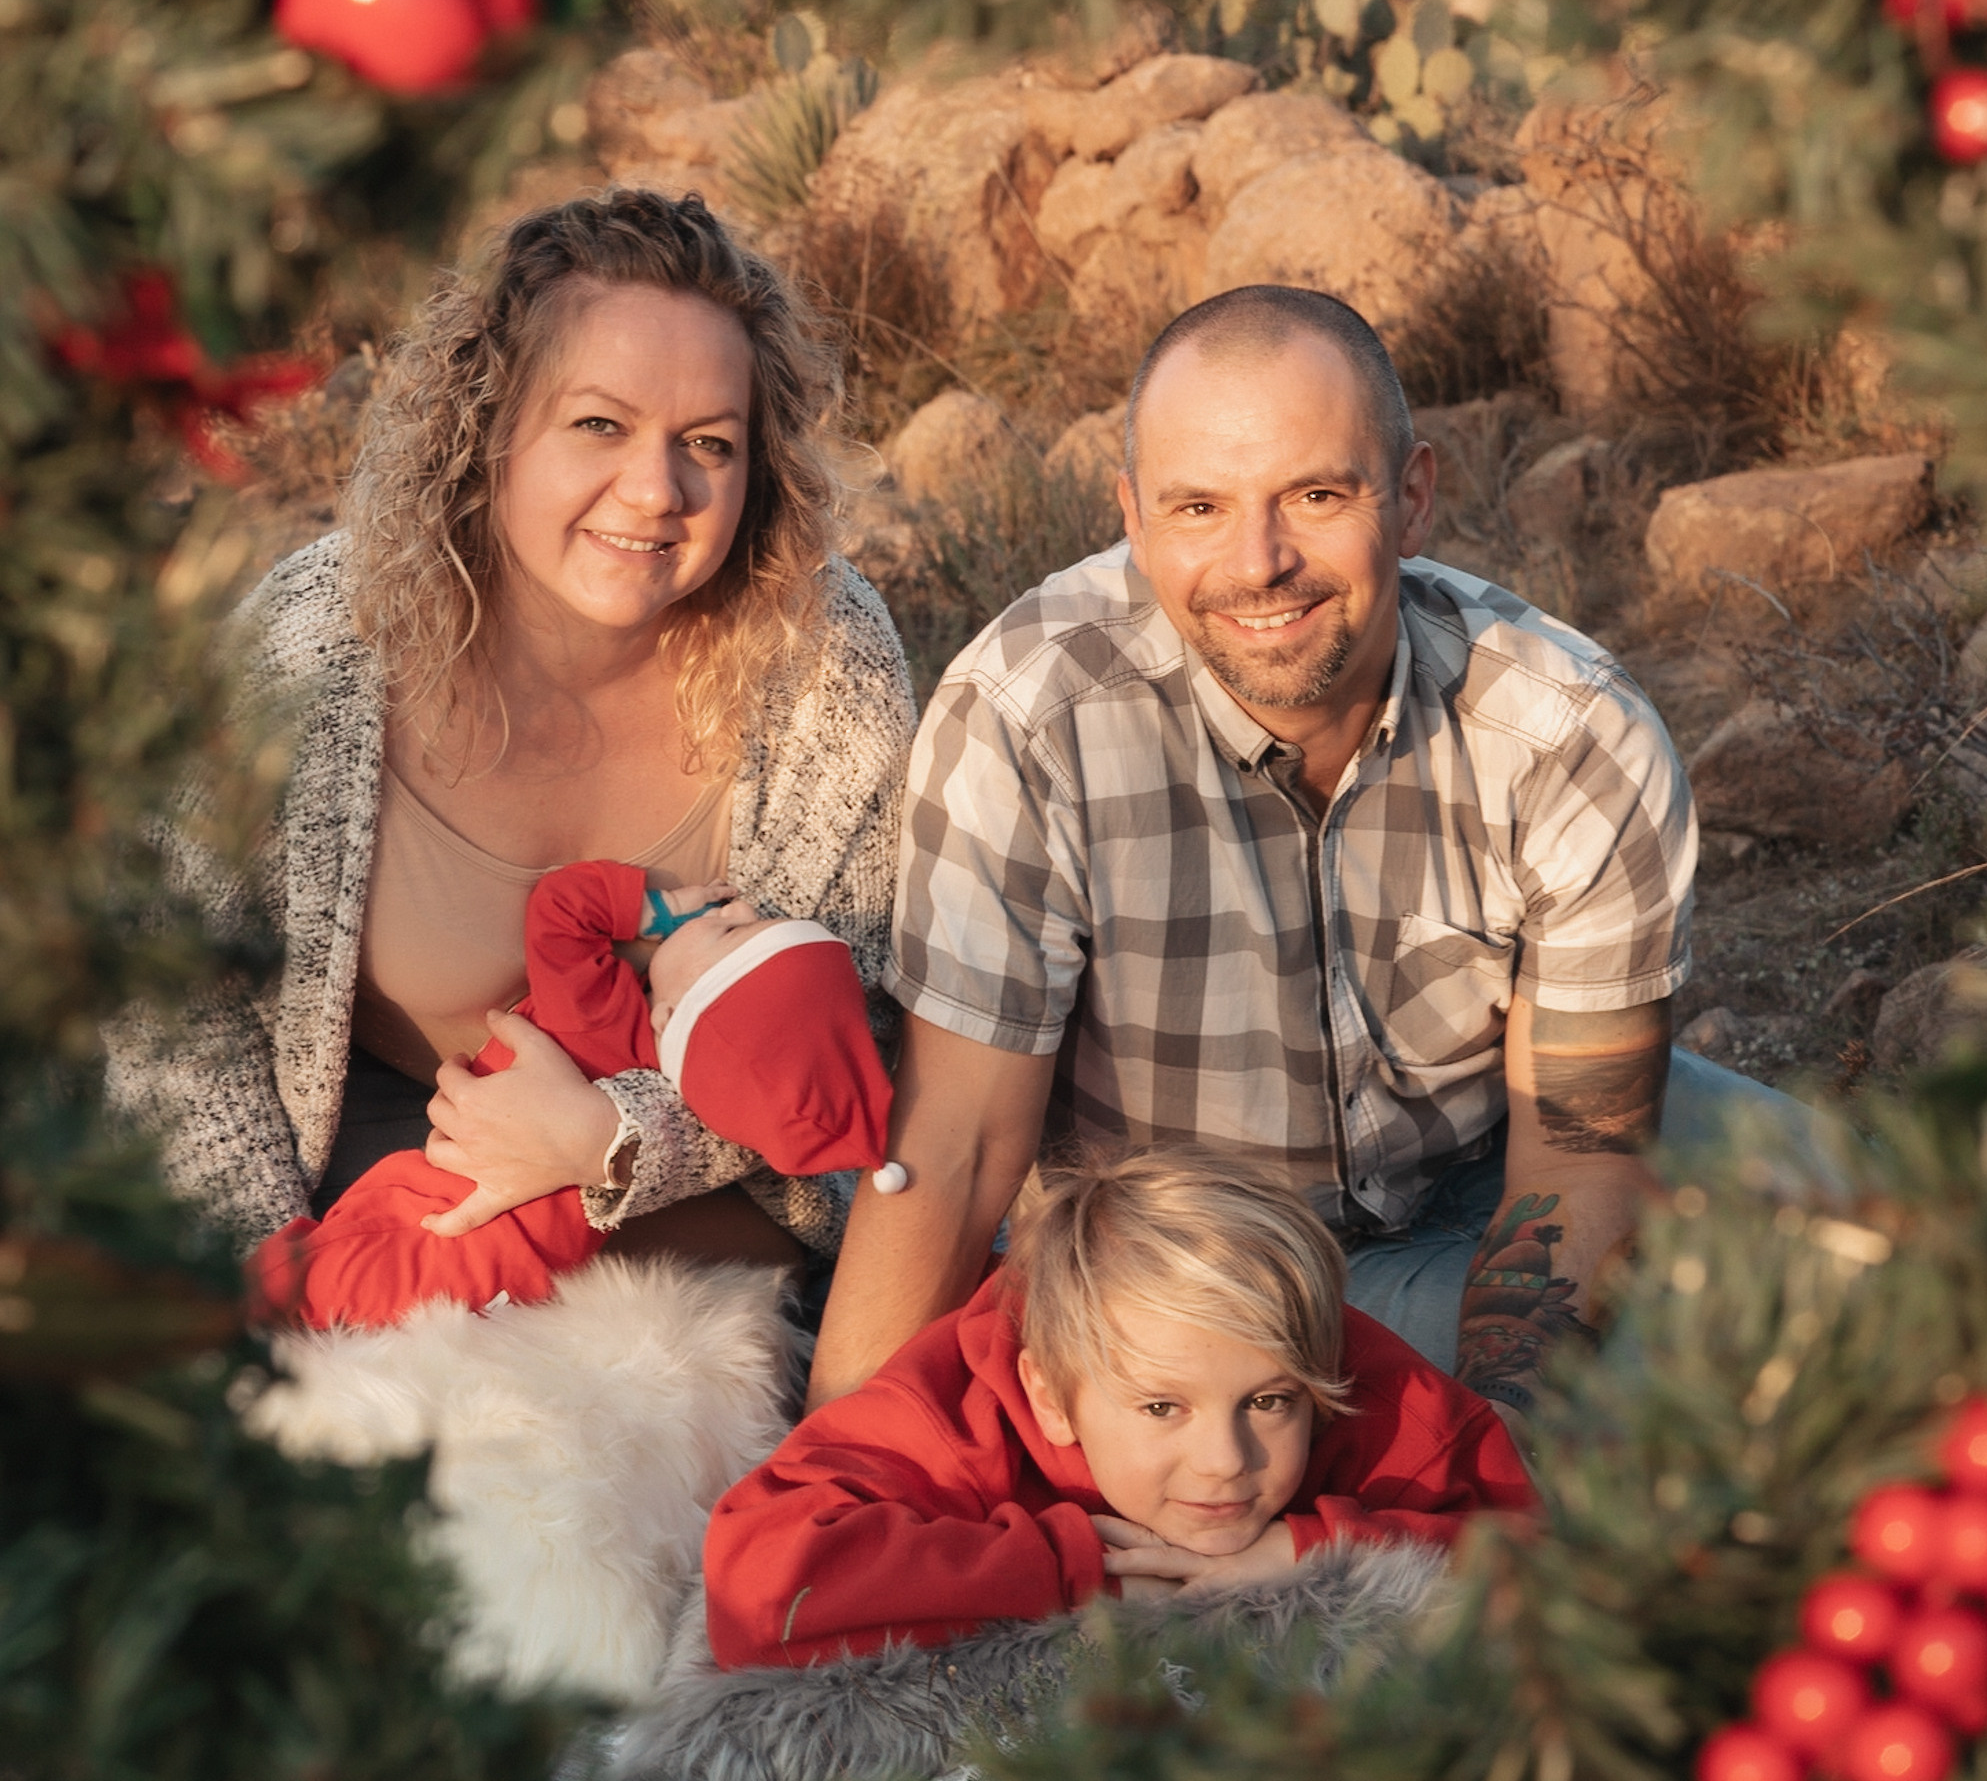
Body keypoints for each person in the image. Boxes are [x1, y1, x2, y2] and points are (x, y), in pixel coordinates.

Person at [810, 282, 1769, 1420]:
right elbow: (959, 1147)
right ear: (1132, 514)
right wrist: (833, 1479)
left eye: (1315, 493)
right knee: (1693, 1384)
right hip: (1194, 1265)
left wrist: (1499, 1452)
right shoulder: (1029, 719)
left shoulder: (1567, 730)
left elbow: (1577, 1154)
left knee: (1889, 1263)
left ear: (1411, 499)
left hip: (1491, 1163)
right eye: (1198, 507)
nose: (1259, 561)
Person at [106, 188, 915, 1281]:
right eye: (598, 423)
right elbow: (171, 994)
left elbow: (863, 1033)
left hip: (714, 1260)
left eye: (709, 444)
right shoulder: (317, 642)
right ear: (488, 427)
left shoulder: (819, 654)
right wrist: (269, 1313)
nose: (654, 488)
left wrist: (617, 1137)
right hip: (389, 1237)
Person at [704, 1146, 1534, 1667]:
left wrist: (1318, 1555)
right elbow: (757, 1582)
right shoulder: (955, 1416)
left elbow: (1550, 1560)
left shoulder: (1375, 1396)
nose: (1226, 1461)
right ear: (1050, 1397)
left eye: (1271, 1401)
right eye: (1162, 1408)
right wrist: (1080, 1572)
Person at [249, 870, 899, 1330]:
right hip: (525, 1274)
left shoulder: (598, 1012)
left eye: (730, 934)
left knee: (303, 1284)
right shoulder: (708, 1100)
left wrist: (657, 911)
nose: (738, 908)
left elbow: (560, 908)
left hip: (442, 1219)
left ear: (672, 1016)